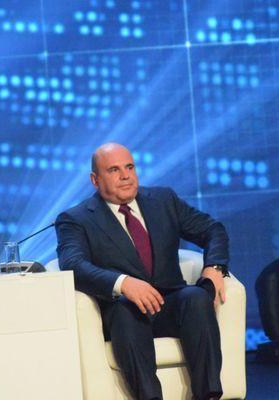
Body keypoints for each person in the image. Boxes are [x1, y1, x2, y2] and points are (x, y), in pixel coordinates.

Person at [55, 143, 230, 400]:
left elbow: (213, 229)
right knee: (125, 311)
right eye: (114, 170)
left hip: (170, 303)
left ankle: (209, 395)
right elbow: (73, 265)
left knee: (195, 297)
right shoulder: (77, 219)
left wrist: (214, 267)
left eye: (129, 167)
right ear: (95, 180)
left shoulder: (163, 200)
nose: (125, 176)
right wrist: (123, 283)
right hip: (124, 311)